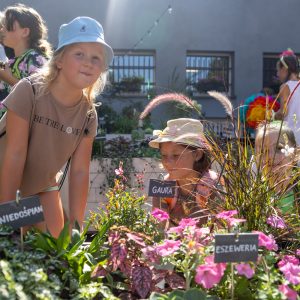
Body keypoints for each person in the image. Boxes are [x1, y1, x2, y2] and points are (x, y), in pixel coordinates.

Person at [0, 16, 114, 237]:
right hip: (5, 176)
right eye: (79, 54)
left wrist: (79, 226)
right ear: (59, 60)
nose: (88, 62)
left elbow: (80, 171)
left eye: (96, 58)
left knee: (58, 250)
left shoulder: (88, 113)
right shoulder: (29, 90)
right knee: (12, 249)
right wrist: (6, 214)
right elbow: (15, 155)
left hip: (41, 183)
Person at [149, 118, 221, 226]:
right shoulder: (163, 186)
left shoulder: (213, 185)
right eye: (164, 155)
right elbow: (158, 228)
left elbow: (219, 228)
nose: (168, 162)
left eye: (176, 155)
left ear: (197, 155)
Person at [0, 4, 51, 103]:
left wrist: (8, 78)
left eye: (8, 25)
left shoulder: (36, 59)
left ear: (25, 32)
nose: (2, 30)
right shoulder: (14, 61)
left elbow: (38, 96)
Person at [255, 121, 299, 214]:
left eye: (279, 148)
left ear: (295, 154)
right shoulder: (254, 195)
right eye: (264, 151)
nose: (270, 156)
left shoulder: (297, 192)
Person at [275, 50, 300, 144]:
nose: (277, 74)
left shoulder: (285, 86)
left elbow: (283, 112)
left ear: (284, 69)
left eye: (278, 70)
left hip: (291, 134)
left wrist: (272, 115)